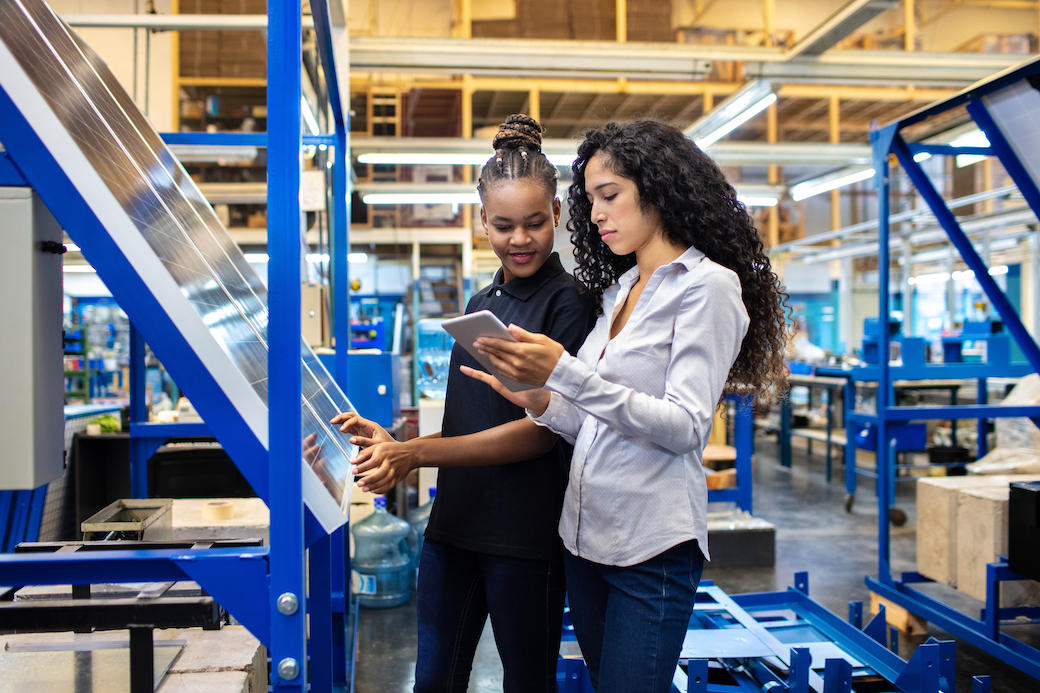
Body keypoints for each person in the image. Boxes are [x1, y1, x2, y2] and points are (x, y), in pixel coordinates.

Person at [462, 120, 789, 693]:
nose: (596, 214)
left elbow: (686, 426)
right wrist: (536, 396)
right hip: (584, 541)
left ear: (658, 189)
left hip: (650, 547)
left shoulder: (706, 289)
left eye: (609, 196)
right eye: (590, 200)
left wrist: (563, 371)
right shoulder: (621, 291)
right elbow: (591, 418)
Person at [331, 114, 596, 693]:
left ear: (556, 214)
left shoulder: (569, 306)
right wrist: (395, 439)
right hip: (452, 528)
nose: (519, 239)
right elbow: (472, 414)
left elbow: (541, 431)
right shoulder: (483, 300)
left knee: (526, 683)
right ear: (482, 221)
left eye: (533, 223)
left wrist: (416, 452)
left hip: (524, 538)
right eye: (503, 225)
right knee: (435, 681)